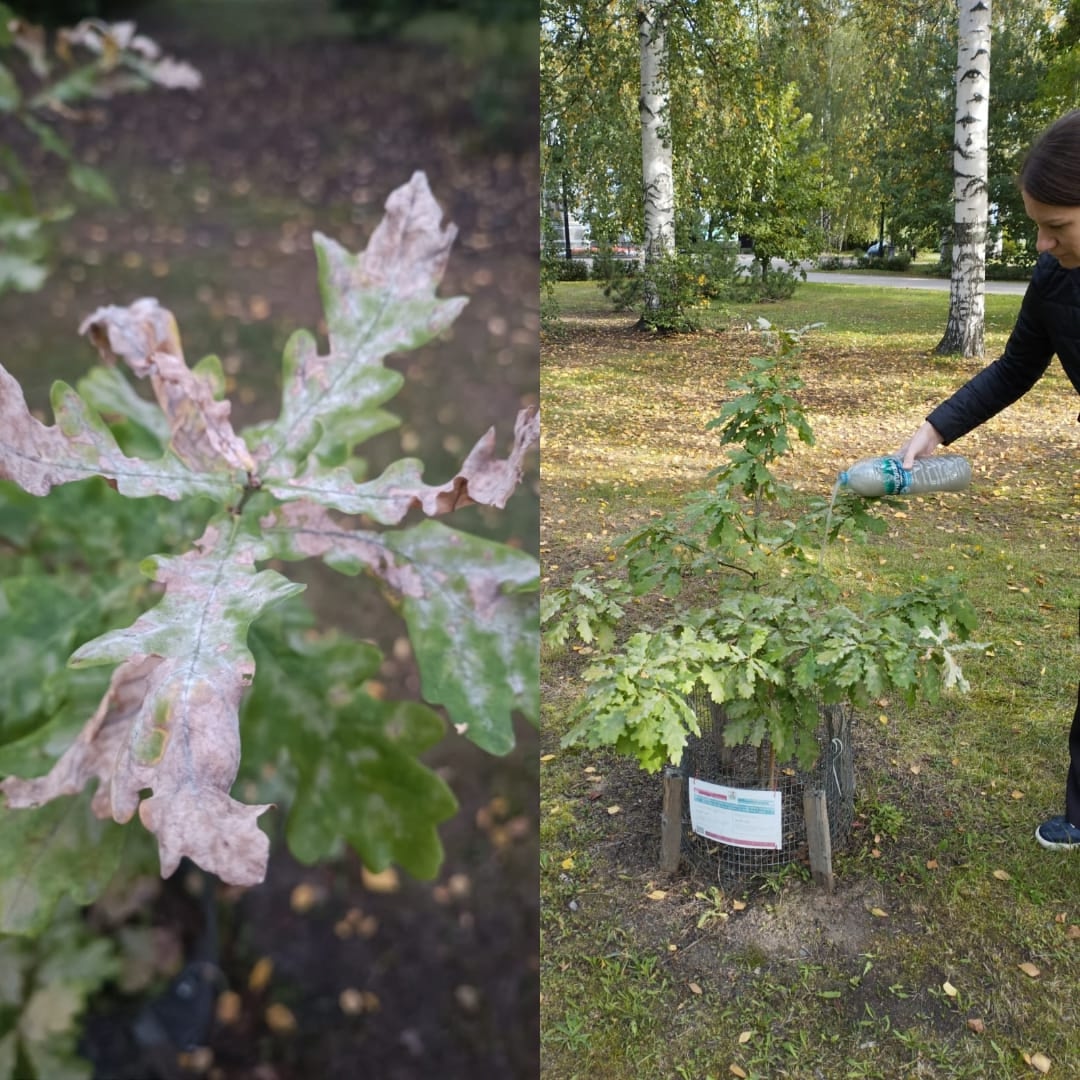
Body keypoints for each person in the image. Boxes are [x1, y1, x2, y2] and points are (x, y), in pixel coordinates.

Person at [899, 109, 1080, 850]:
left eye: (1057, 226)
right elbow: (1014, 369)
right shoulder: (1055, 279)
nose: (1041, 243)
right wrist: (932, 430)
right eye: (1036, 225)